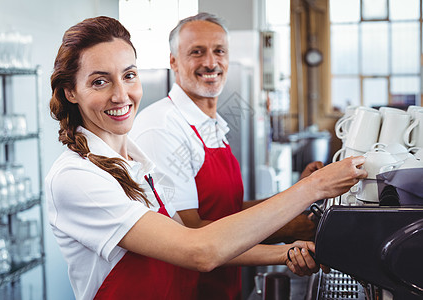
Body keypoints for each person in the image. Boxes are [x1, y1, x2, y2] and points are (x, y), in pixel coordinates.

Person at [46, 15, 367, 300]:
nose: (120, 95)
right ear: (70, 92)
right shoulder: (77, 177)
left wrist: (284, 253)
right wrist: (314, 189)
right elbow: (200, 250)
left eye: (129, 75)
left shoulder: (137, 162)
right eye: (99, 81)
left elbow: (192, 238)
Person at [130, 12, 324, 299]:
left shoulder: (211, 125)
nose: (211, 62)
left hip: (220, 287)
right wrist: (287, 231)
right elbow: (193, 233)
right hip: (182, 290)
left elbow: (226, 210)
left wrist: (299, 194)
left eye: (219, 51)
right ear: (173, 61)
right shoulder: (161, 128)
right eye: (197, 52)